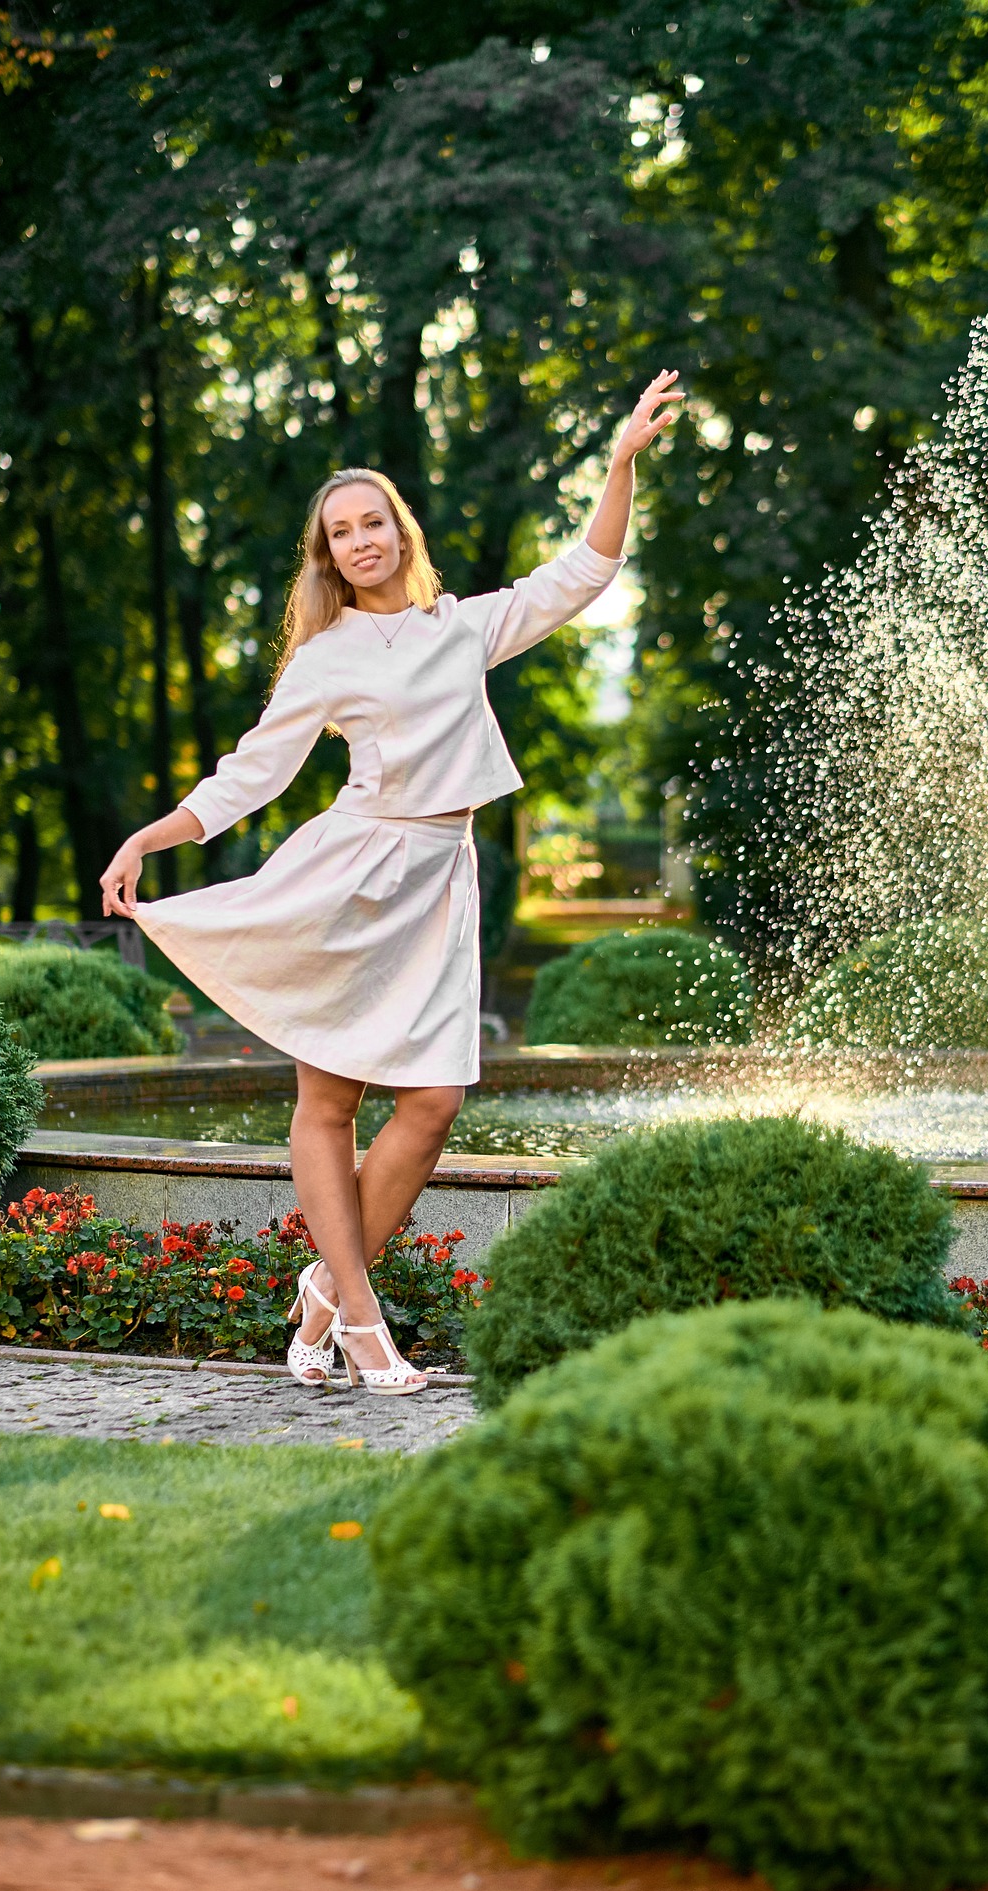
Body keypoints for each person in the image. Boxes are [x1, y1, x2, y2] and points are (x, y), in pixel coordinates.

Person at [100, 369, 682, 1394]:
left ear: (400, 532)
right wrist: (150, 837)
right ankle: (362, 1327)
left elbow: (586, 571)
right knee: (328, 1098)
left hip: (441, 878)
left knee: (435, 1100)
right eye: (341, 533)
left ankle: (324, 1290)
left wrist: (620, 459)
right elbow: (251, 774)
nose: (360, 540)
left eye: (374, 522)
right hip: (358, 870)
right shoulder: (324, 656)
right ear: (326, 556)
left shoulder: (461, 626)